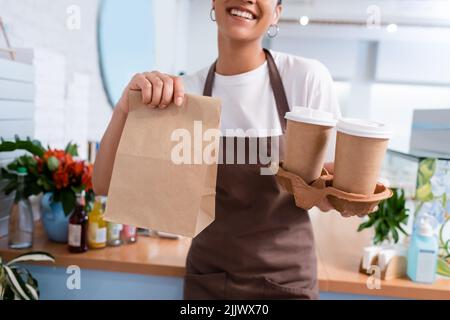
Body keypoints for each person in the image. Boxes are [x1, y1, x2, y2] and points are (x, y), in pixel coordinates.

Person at [93, 0, 350, 299]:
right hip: (209, 283)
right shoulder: (183, 94)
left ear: (277, 11)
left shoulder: (305, 79)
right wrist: (125, 105)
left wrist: (347, 192)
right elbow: (104, 184)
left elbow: (328, 194)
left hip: (286, 284)